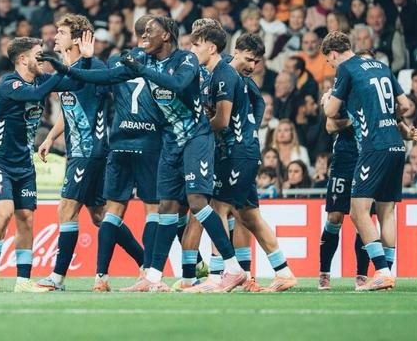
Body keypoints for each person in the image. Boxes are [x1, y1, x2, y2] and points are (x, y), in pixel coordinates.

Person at [57, 16, 245, 293]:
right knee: (166, 207)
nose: (143, 35)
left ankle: (233, 268)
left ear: (166, 36)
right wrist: (68, 69)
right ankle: (153, 277)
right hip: (170, 142)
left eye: (149, 31)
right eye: (142, 32)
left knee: (196, 202)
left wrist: (141, 70)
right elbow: (105, 77)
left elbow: (178, 84)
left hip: (196, 138)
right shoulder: (144, 61)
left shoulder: (186, 59)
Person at [40, 15, 162, 292]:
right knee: (100, 216)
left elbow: (102, 101)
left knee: (66, 209)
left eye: (61, 32)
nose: (55, 36)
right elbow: (71, 109)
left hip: (89, 151)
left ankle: (57, 278)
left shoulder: (93, 68)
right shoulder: (70, 69)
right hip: (81, 151)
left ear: (77, 39)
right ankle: (145, 264)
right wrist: (50, 136)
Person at [192, 27, 296, 292]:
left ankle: (219, 275)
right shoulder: (230, 73)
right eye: (249, 59)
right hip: (241, 151)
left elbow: (222, 120)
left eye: (256, 61)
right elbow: (255, 105)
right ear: (235, 52)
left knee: (218, 208)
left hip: (237, 153)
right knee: (248, 216)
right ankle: (282, 272)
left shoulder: (226, 74)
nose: (252, 66)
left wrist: (199, 131)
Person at [0, 36, 82, 293]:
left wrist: (77, 63)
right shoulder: (9, 83)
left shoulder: (42, 80)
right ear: (23, 59)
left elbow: (74, 82)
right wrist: (58, 67)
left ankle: (23, 281)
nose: (43, 59)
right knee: (4, 212)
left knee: (26, 219)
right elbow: (36, 94)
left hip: (25, 164)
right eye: (39, 55)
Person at [321, 30, 413, 291]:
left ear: (333, 54)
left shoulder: (346, 68)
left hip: (373, 147)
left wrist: (327, 99)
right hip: (397, 144)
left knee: (358, 211)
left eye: (329, 61)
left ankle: (381, 271)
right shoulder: (381, 66)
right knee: (386, 212)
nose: (331, 66)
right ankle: (388, 273)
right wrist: (382, 114)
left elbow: (331, 112)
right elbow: (405, 106)